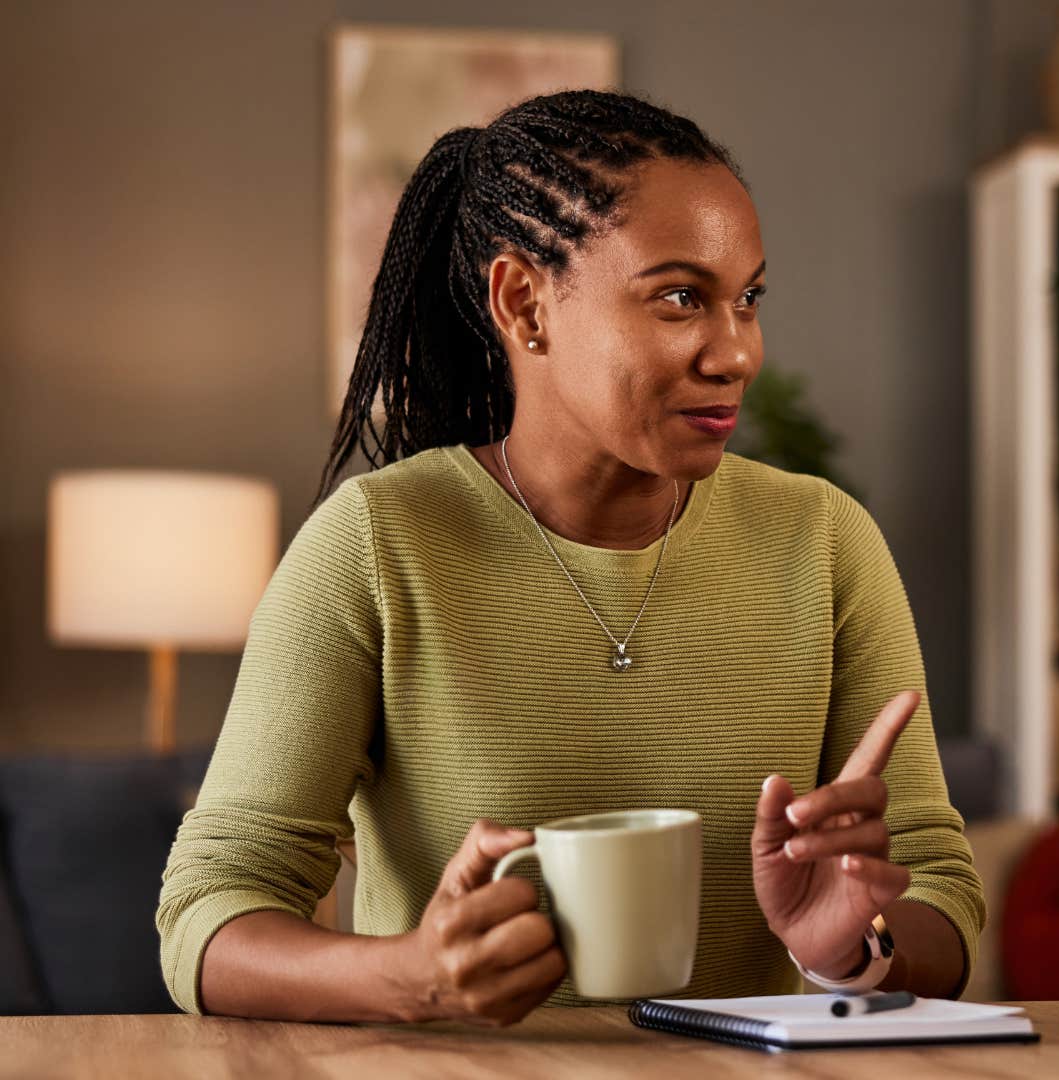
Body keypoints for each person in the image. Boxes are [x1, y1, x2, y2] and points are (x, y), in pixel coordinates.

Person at [156, 90, 982, 1026]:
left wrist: (854, 951)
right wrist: (408, 976)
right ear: (524, 302)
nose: (738, 351)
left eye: (748, 299)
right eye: (681, 298)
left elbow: (941, 893)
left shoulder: (824, 540)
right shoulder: (378, 545)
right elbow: (206, 915)